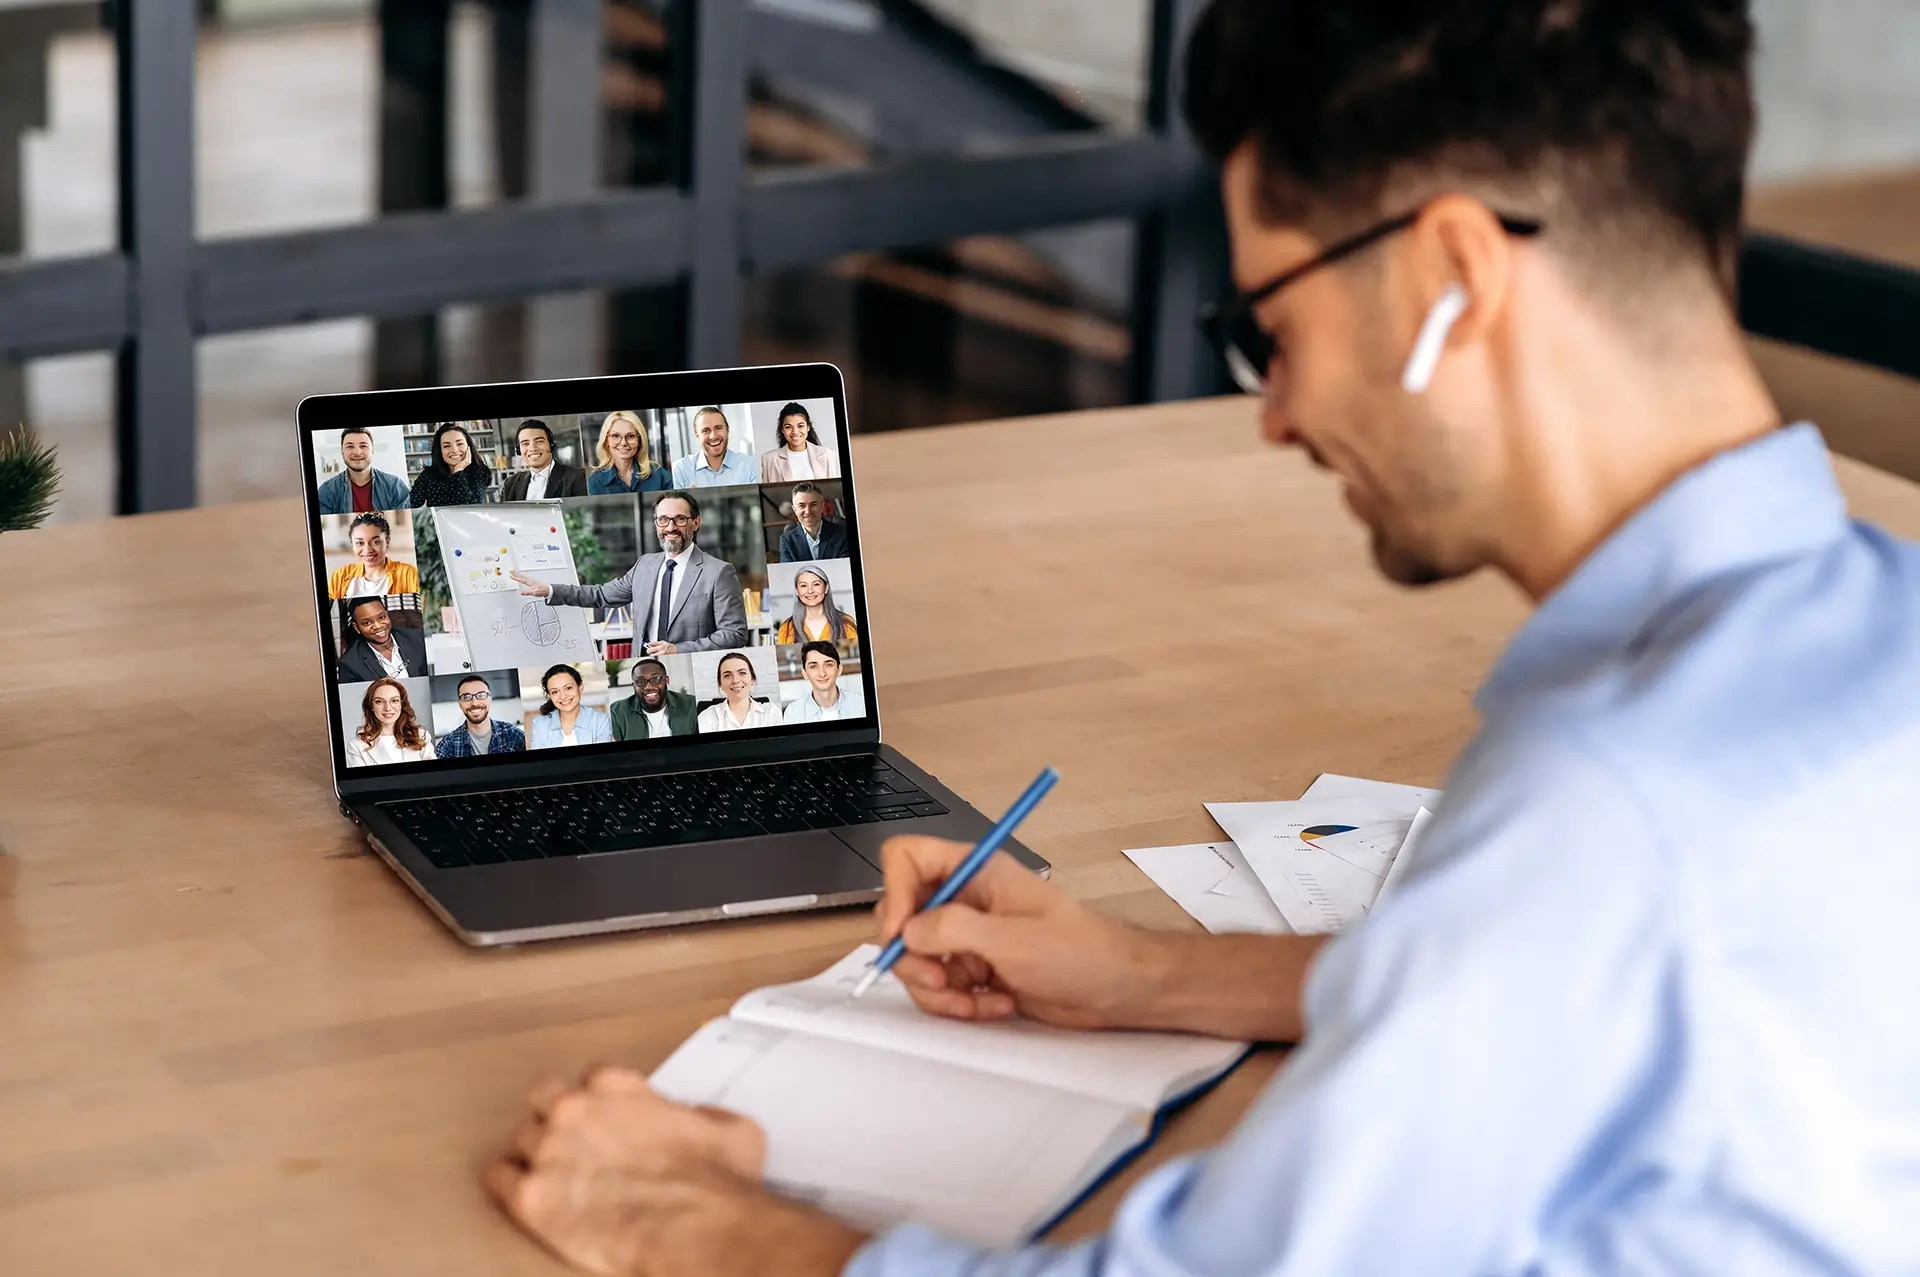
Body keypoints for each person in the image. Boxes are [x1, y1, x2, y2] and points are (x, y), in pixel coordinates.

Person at [485, 3, 1920, 1275]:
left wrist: (697, 1221)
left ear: (1454, 280)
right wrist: (1147, 977)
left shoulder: (1606, 810)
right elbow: (1575, 994)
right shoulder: (1876, 626)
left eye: (1270, 326)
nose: (1277, 413)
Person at [509, 491, 749, 655]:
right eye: (663, 520)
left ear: (696, 522)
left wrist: (678, 649)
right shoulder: (645, 565)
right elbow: (600, 595)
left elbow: (735, 634)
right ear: (656, 523)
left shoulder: (718, 572)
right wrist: (550, 589)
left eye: (680, 519)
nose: (671, 528)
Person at [325, 512, 422, 599]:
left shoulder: (408, 574)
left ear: (387, 542)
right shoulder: (340, 576)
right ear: (353, 545)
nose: (367, 550)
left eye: (376, 542)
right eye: (360, 543)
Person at [316, 427, 410, 514]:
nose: (357, 452)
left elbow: (406, 528)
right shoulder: (327, 492)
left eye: (363, 446)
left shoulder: (395, 487)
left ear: (372, 451)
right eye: (350, 446)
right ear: (342, 452)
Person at [343, 677, 434, 767]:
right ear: (371, 706)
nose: (388, 708)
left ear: (401, 705)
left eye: (394, 701)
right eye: (379, 702)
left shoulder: (421, 736)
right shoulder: (356, 746)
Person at [336, 597, 428, 683]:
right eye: (367, 623)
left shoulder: (417, 639)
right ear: (356, 628)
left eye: (381, 617)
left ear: (387, 615)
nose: (378, 626)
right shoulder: (349, 665)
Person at [433, 674, 527, 757]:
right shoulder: (448, 745)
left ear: (490, 699)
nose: (474, 703)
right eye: (466, 697)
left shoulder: (513, 735)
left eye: (481, 695)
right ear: (460, 704)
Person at [526, 664, 614, 749]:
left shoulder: (600, 721)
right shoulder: (539, 725)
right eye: (555, 692)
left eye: (568, 688)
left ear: (580, 687)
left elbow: (601, 760)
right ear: (549, 696)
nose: (563, 696)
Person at [587, 410, 674, 495]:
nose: (623, 443)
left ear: (639, 441)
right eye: (615, 436)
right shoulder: (595, 482)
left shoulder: (659, 474)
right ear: (606, 441)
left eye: (631, 436)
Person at [500, 420, 589, 501]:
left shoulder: (578, 477)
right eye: (525, 443)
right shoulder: (510, 483)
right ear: (519, 450)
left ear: (551, 445)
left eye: (539, 441)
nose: (532, 448)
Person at [610, 658, 698, 741]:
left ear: (666, 680)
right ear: (634, 685)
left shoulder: (691, 704)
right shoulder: (617, 712)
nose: (648, 687)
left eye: (656, 679)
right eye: (641, 681)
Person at [670, 406, 758, 488]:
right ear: (697, 436)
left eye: (718, 428)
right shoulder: (680, 470)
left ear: (727, 430)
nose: (713, 436)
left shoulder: (749, 465)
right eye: (705, 431)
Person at [695, 652, 783, 733]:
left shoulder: (771, 713)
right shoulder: (707, 717)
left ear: (752, 679)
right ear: (720, 684)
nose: (735, 680)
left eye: (742, 673)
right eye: (727, 675)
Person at [409, 422, 492, 507]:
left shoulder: (479, 472)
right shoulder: (428, 475)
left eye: (459, 444)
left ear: (468, 446)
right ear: (440, 451)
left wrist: (458, 472)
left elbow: (474, 508)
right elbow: (408, 504)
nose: (454, 450)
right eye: (446, 446)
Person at [773, 566, 858, 646]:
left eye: (816, 584)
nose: (810, 591)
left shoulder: (846, 623)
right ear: (797, 591)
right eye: (803, 585)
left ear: (826, 588)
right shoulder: (786, 628)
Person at [782, 641, 863, 725]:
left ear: (839, 669)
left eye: (828, 665)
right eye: (813, 666)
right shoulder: (793, 713)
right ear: (805, 673)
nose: (822, 673)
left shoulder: (861, 705)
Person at [757, 402, 839, 483]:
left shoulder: (826, 455)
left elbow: (833, 491)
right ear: (782, 430)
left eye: (800, 426)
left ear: (808, 427)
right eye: (788, 427)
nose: (795, 432)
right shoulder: (769, 460)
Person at [776, 483, 850, 562]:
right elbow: (788, 572)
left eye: (813, 505)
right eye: (802, 506)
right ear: (795, 510)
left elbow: (845, 568)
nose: (807, 512)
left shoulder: (841, 533)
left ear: (822, 507)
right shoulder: (786, 540)